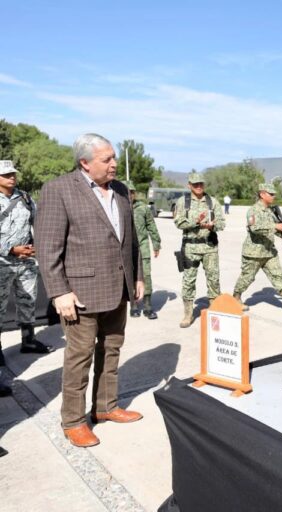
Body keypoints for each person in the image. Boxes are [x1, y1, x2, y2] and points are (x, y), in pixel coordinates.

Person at [37, 133, 144, 448]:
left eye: (113, 157)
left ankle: (106, 407)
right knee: (79, 357)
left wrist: (138, 277)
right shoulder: (59, 190)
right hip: (79, 293)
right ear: (84, 162)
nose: (114, 165)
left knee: (111, 349)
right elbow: (47, 248)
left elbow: (131, 240)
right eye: (106, 160)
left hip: (118, 288)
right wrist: (59, 292)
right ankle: (73, 421)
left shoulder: (121, 190)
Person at [0, 160, 54, 396]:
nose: (12, 177)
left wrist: (36, 247)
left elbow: (37, 224)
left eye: (13, 174)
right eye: (6, 174)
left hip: (26, 261)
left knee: (28, 300)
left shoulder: (25, 198)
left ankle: (28, 341)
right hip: (2, 262)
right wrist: (11, 249)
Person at [233, 183, 282, 312]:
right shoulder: (253, 210)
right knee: (247, 278)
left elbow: (276, 230)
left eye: (274, 194)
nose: (274, 196)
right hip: (253, 252)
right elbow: (254, 228)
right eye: (271, 194)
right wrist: (275, 226)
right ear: (262, 194)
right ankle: (236, 298)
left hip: (269, 252)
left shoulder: (270, 211)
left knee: (278, 276)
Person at [173, 172, 225, 328]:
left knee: (214, 280)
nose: (199, 187)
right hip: (191, 247)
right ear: (189, 185)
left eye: (201, 184)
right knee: (188, 281)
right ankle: (188, 314)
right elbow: (178, 222)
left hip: (210, 247)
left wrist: (213, 225)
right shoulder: (183, 202)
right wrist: (196, 221)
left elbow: (222, 223)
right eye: (195, 184)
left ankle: (215, 312)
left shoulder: (212, 202)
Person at [128, 182, 161, 319]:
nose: (129, 194)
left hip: (142, 248)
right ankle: (133, 306)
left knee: (146, 276)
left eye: (131, 192)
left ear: (134, 193)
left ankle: (148, 306)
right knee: (129, 276)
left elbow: (151, 226)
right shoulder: (118, 208)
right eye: (126, 192)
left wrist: (156, 243)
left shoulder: (142, 208)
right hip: (126, 250)